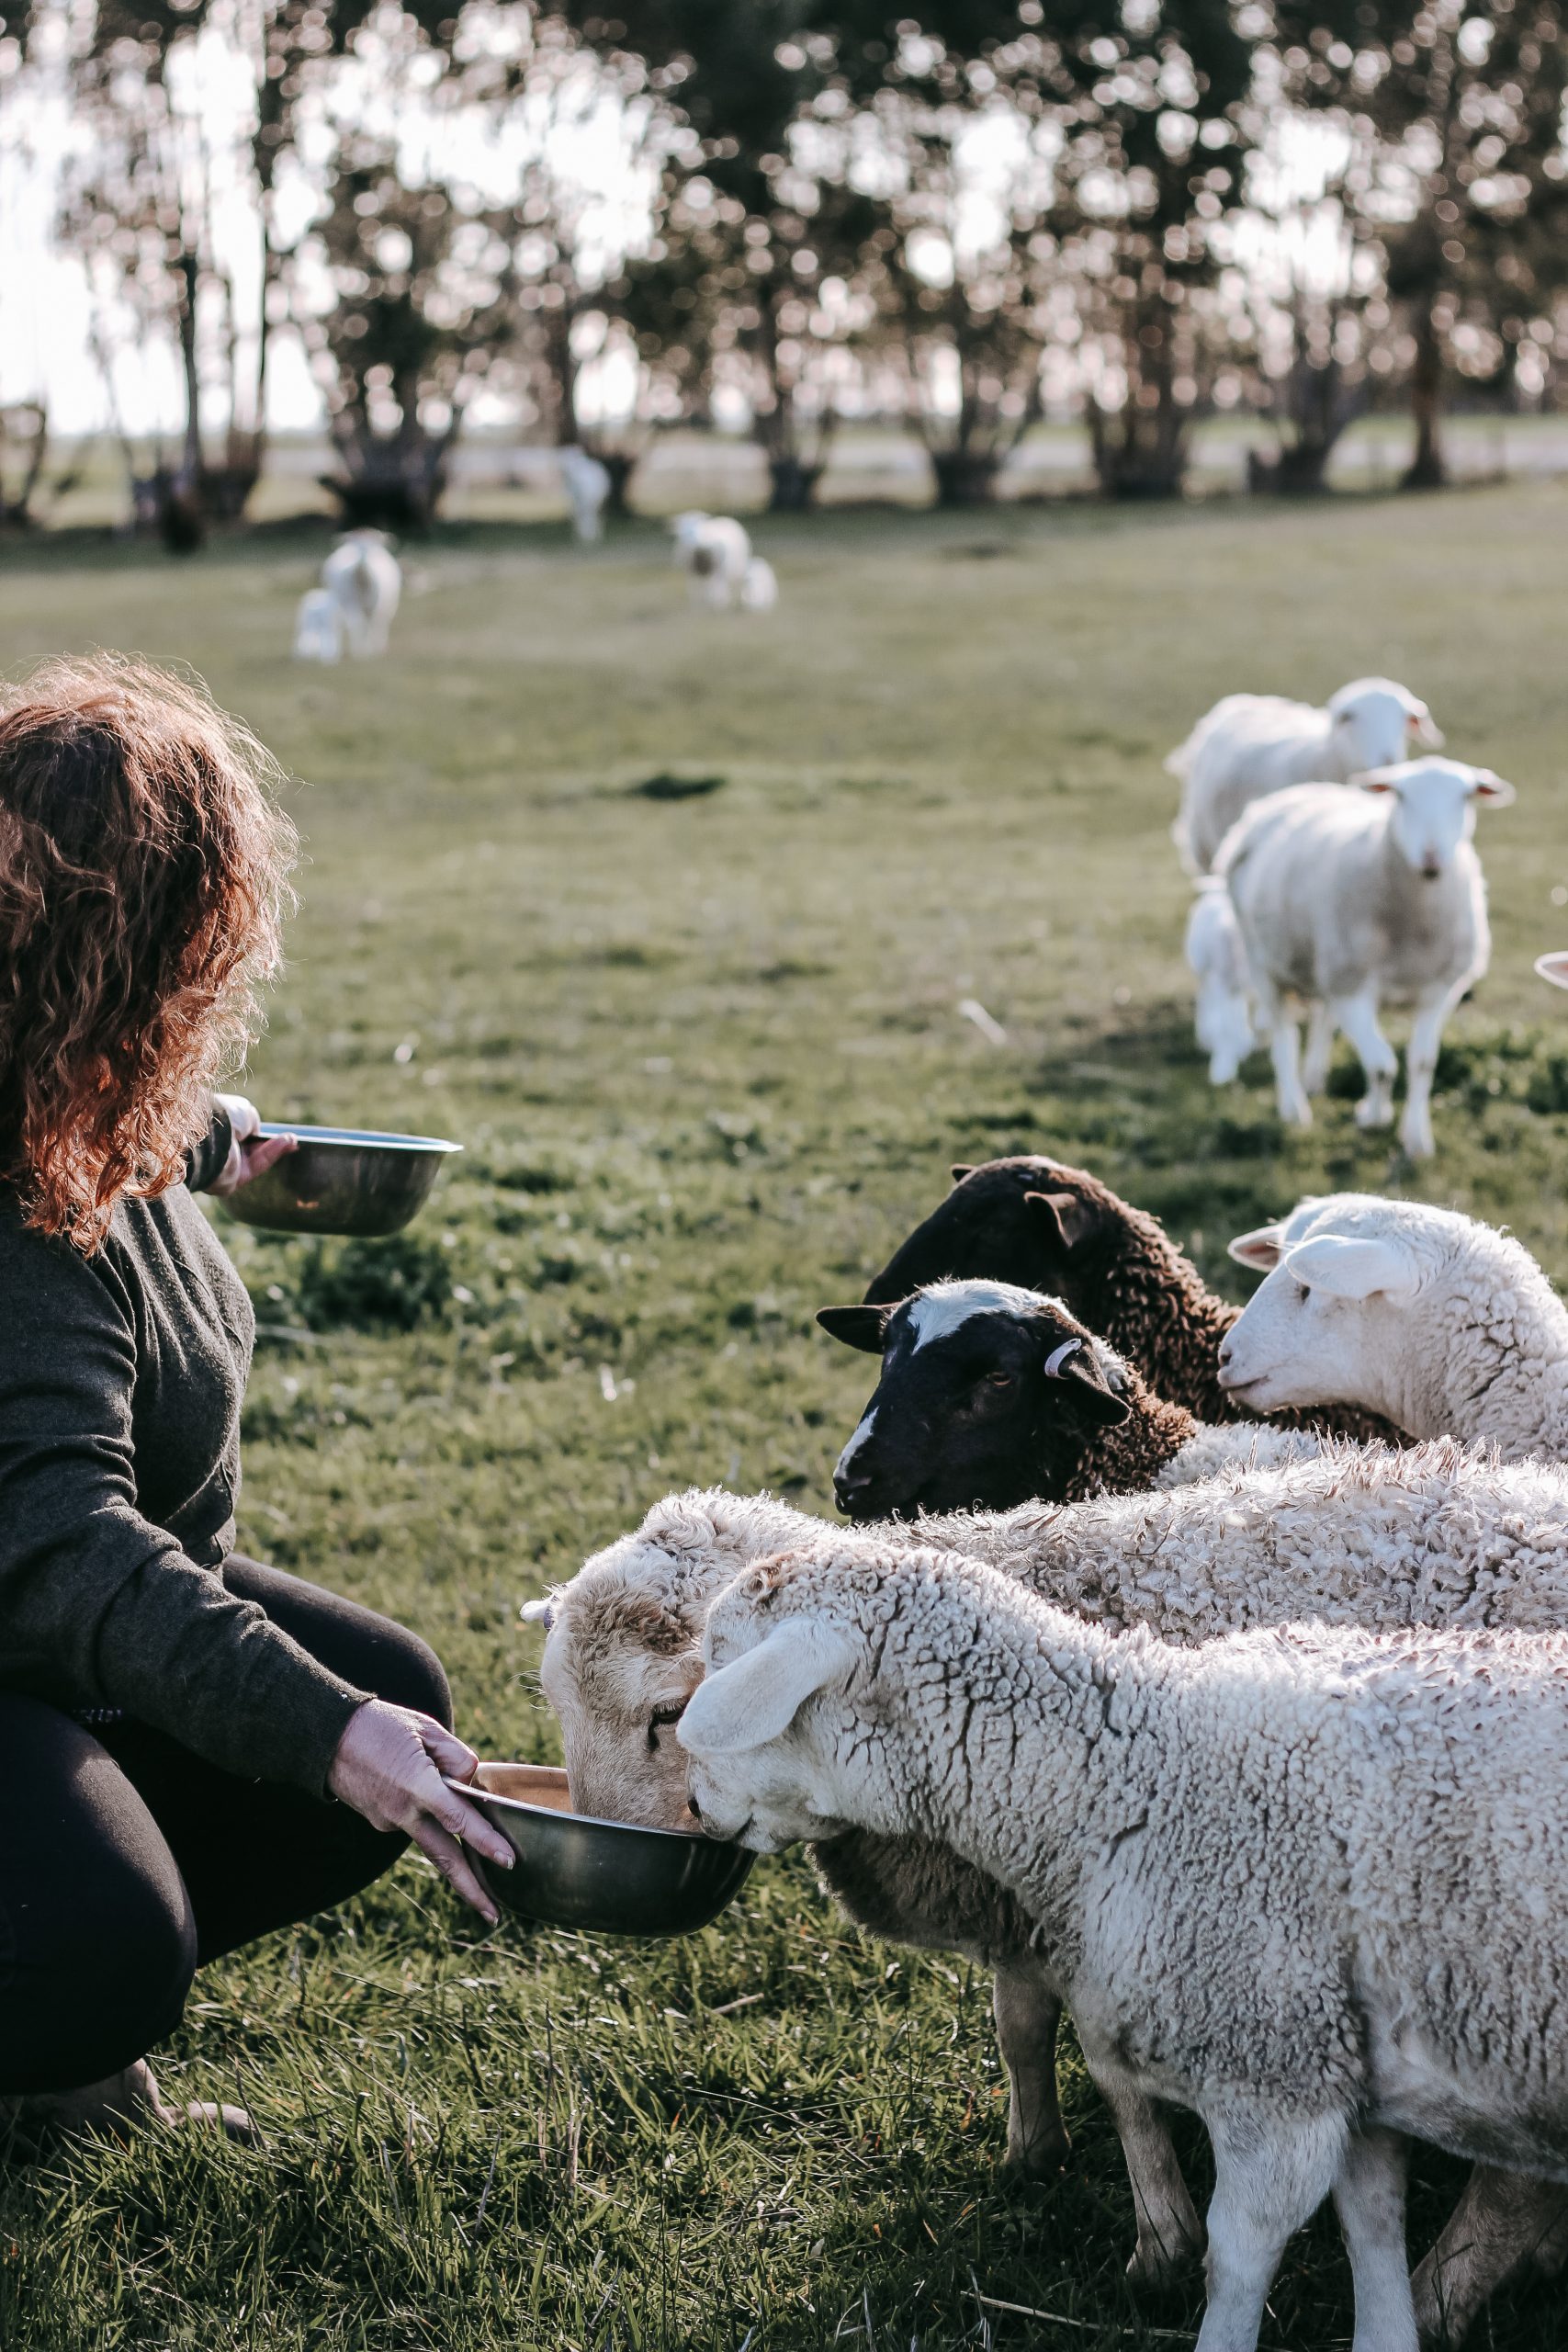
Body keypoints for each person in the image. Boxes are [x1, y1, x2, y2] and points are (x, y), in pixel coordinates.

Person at [0, 653, 515, 2140]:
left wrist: (215, 1140)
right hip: (27, 1612)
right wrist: (326, 1734)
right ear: (165, 946)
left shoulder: (74, 1093)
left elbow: (134, 1128)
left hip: (30, 1645)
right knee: (102, 1940)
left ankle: (35, 2066)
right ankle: (51, 2021)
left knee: (395, 1694)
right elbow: (56, 1543)